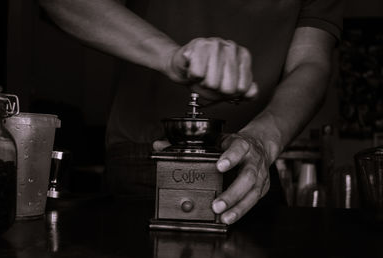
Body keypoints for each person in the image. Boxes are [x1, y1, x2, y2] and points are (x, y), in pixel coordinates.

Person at [37, 0, 343, 225]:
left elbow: (311, 63)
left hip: (252, 162)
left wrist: (264, 140)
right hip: (145, 157)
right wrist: (171, 57)